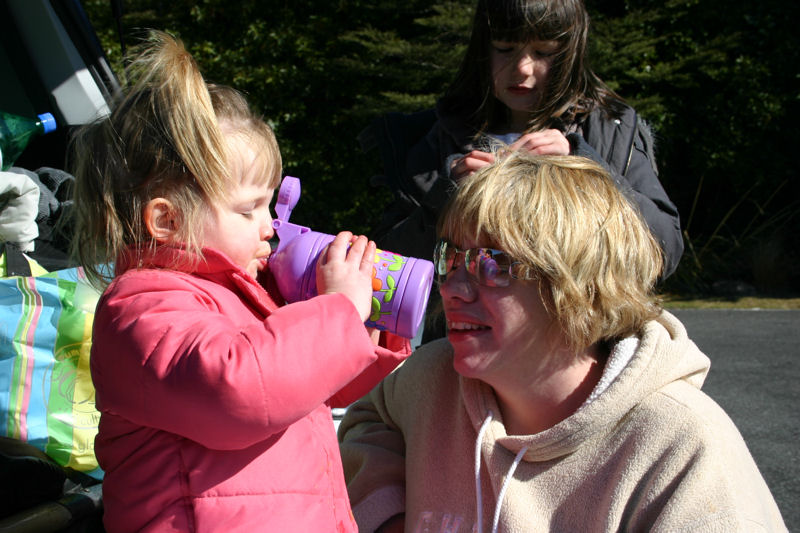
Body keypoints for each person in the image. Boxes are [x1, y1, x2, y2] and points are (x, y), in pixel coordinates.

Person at [70, 31, 410, 532]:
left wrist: (367, 324)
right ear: (167, 221)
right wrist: (338, 311)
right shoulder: (140, 308)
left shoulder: (248, 294)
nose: (269, 226)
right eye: (249, 209)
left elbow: (311, 387)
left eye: (270, 205)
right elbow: (240, 393)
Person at [338, 153, 787, 533]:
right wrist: (387, 516)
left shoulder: (681, 445)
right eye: (451, 258)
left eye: (491, 264)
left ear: (578, 286)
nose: (452, 288)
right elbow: (368, 423)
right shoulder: (428, 379)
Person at [363, 0, 683, 342]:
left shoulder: (609, 130)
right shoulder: (436, 139)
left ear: (571, 53)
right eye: (505, 48)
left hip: (584, 350)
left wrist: (587, 165)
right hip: (464, 353)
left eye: (543, 52)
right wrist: (443, 199)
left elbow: (663, 250)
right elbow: (386, 271)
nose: (523, 68)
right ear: (481, 50)